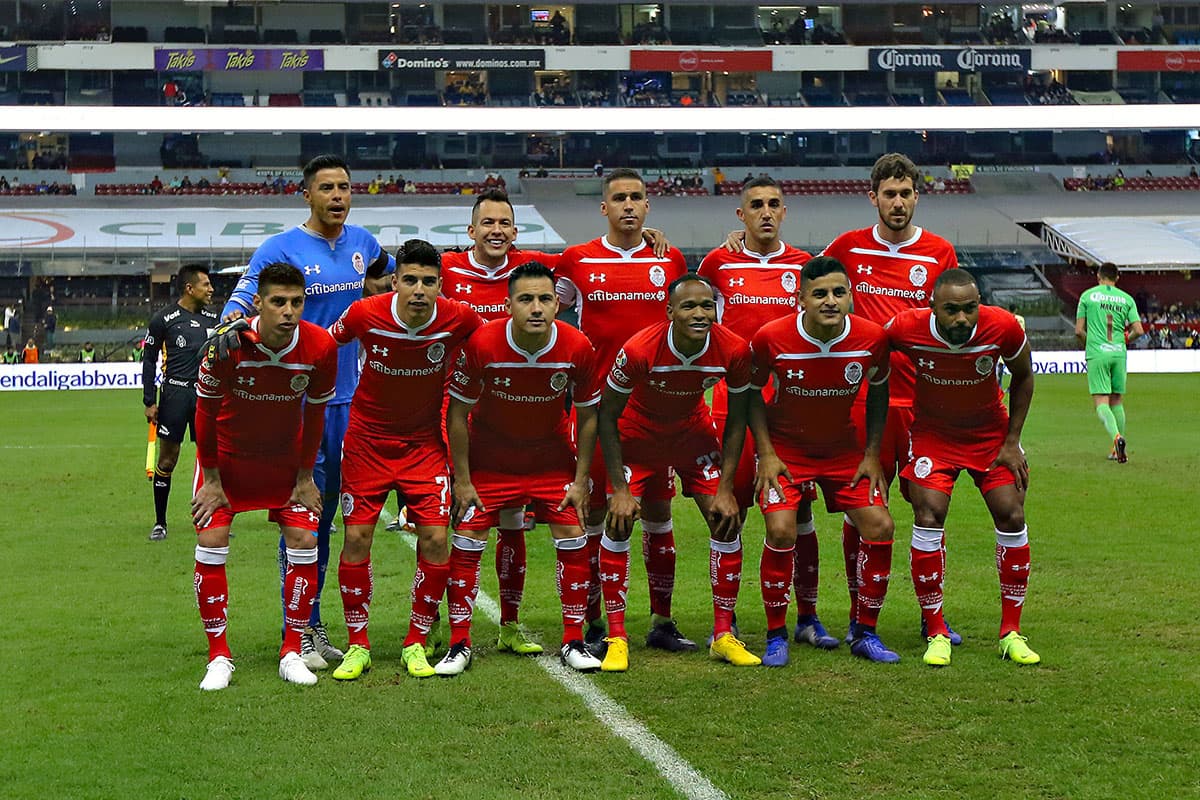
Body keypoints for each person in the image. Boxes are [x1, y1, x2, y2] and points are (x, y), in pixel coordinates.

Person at [220, 154, 391, 671]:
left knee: (338, 513)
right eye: (327, 188)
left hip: (352, 403)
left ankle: (311, 623)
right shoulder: (281, 248)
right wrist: (232, 323)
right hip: (301, 405)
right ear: (307, 195)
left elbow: (397, 273)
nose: (338, 196)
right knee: (305, 514)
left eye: (344, 186)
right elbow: (243, 300)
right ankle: (304, 628)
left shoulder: (364, 245)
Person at [326, 240, 484, 680]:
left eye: (428, 282)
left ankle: (415, 642)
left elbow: (492, 343)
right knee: (356, 539)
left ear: (440, 285)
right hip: (366, 443)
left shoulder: (460, 318)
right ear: (394, 281)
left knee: (435, 540)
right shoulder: (365, 314)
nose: (418, 289)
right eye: (410, 280)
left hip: (424, 446)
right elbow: (322, 343)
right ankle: (358, 645)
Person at [821, 152, 959, 646]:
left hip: (923, 404)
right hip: (864, 401)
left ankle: (932, 615)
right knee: (865, 509)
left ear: (917, 196)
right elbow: (807, 275)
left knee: (930, 507)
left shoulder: (939, 252)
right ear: (873, 196)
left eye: (906, 194)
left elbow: (953, 319)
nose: (897, 203)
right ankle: (862, 619)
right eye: (889, 194)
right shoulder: (849, 248)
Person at [555, 168, 689, 654]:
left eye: (636, 197)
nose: (628, 205)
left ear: (648, 206)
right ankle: (592, 623)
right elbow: (551, 303)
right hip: (595, 410)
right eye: (619, 198)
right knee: (595, 514)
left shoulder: (669, 259)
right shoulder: (578, 260)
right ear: (604, 207)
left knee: (658, 512)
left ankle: (662, 620)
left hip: (656, 411)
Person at [447, 261, 604, 673]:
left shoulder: (576, 345)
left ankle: (573, 641)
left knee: (573, 532)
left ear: (557, 304)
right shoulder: (483, 344)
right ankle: (459, 643)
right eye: (526, 299)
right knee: (467, 538)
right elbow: (457, 414)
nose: (536, 308)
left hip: (550, 462)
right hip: (492, 464)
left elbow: (589, 416)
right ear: (508, 304)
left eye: (544, 299)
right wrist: (463, 481)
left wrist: (580, 478)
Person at [190, 262, 339, 691]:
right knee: (211, 541)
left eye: (297, 302)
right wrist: (212, 481)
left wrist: (306, 476)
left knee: (305, 540)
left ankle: (292, 650)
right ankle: (218, 656)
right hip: (227, 461)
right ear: (258, 303)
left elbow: (315, 415)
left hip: (284, 463)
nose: (289, 311)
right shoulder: (228, 344)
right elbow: (205, 413)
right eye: (278, 302)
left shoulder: (320, 347)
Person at [598, 274, 754, 671]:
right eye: (688, 306)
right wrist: (619, 487)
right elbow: (607, 415)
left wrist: (725, 487)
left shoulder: (733, 349)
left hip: (692, 433)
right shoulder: (639, 349)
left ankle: (723, 634)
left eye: (706, 306)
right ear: (670, 312)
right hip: (637, 435)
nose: (700, 313)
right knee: (618, 523)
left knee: (726, 521)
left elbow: (738, 418)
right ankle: (616, 636)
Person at [749, 257, 900, 665]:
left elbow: (880, 394)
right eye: (819, 294)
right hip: (788, 454)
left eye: (839, 292)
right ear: (801, 299)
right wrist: (766, 454)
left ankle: (864, 631)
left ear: (851, 296)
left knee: (881, 525)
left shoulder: (871, 338)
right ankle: (777, 634)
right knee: (782, 531)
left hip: (844, 453)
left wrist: (871, 455)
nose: (830, 301)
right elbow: (751, 395)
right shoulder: (771, 338)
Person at [886, 269, 1039, 668]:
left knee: (1011, 513)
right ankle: (935, 630)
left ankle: (1011, 632)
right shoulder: (905, 327)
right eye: (951, 310)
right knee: (928, 513)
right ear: (932, 307)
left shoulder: (1001, 326)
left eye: (969, 309)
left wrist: (1011, 441)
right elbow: (870, 352)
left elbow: (1023, 377)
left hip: (990, 435)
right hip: (933, 436)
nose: (961, 319)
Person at [699, 176, 827, 649]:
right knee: (727, 511)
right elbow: (693, 316)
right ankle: (723, 624)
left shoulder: (804, 267)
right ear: (741, 215)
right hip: (731, 409)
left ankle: (808, 617)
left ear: (785, 211)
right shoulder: (718, 262)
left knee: (800, 511)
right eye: (756, 205)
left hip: (790, 408)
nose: (766, 212)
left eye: (774, 204)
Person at [143, 264, 218, 541]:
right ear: (190, 288)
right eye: (206, 285)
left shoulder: (214, 318)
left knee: (211, 459)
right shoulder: (164, 319)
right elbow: (149, 359)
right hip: (174, 395)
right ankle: (160, 522)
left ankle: (213, 517)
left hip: (206, 397)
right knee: (168, 458)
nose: (211, 289)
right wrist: (149, 401)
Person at [1075, 262, 1144, 462]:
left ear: (1098, 276)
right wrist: (1125, 340)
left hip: (1098, 352)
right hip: (1118, 353)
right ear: (1117, 278)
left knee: (1101, 402)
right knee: (1117, 400)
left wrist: (1092, 344)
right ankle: (1116, 450)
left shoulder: (1087, 296)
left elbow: (1078, 331)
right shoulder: (1127, 299)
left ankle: (1117, 438)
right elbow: (1138, 330)